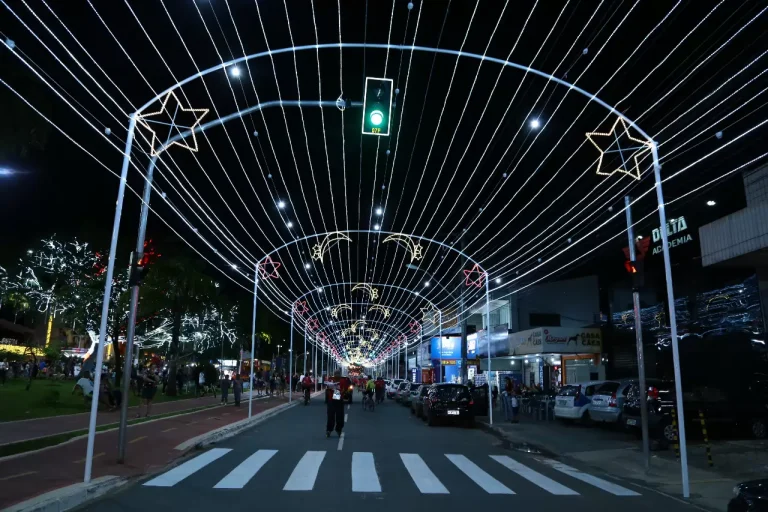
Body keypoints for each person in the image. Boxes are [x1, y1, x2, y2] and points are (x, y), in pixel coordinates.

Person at [325, 371, 346, 437]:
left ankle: (338, 429)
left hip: (339, 400)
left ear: (340, 374)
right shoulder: (331, 380)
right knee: (330, 416)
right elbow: (327, 388)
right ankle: (329, 430)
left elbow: (344, 389)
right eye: (336, 374)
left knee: (340, 416)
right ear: (334, 374)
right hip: (331, 400)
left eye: (338, 374)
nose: (337, 375)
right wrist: (330, 388)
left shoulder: (342, 381)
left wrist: (338, 391)